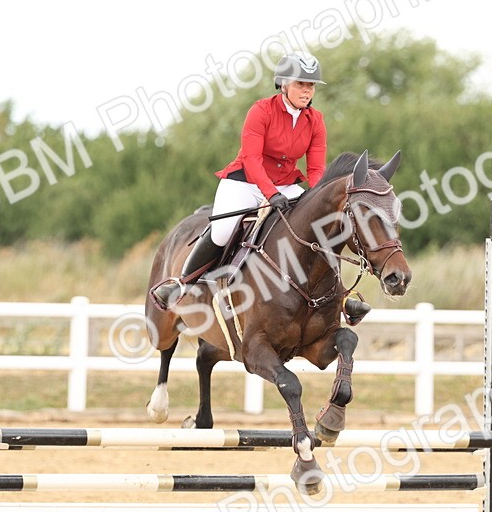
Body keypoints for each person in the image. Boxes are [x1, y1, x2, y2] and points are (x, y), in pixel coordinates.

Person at [152, 51, 370, 323]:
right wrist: (271, 194)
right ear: (283, 84)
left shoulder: (316, 120)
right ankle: (182, 283)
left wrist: (318, 198)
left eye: (311, 85)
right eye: (301, 84)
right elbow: (252, 159)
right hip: (245, 183)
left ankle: (340, 297)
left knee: (318, 227)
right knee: (222, 230)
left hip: (286, 185)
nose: (307, 90)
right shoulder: (261, 111)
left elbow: (315, 169)